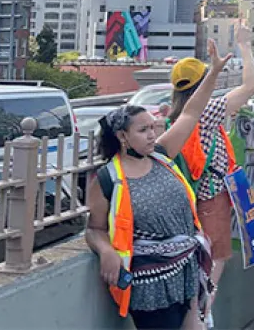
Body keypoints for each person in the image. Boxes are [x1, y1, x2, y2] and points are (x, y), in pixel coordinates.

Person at [85, 40, 231, 330]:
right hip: (149, 284)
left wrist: (213, 74)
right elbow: (94, 228)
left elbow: (190, 113)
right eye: (143, 130)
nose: (153, 134)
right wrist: (106, 251)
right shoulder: (108, 178)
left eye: (153, 127)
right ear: (123, 137)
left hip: (186, 273)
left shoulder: (162, 156)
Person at [165, 28, 254, 329]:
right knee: (214, 259)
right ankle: (203, 316)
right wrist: (244, 45)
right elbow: (252, 85)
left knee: (194, 259)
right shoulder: (206, 111)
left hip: (188, 200)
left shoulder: (173, 115)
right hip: (211, 199)